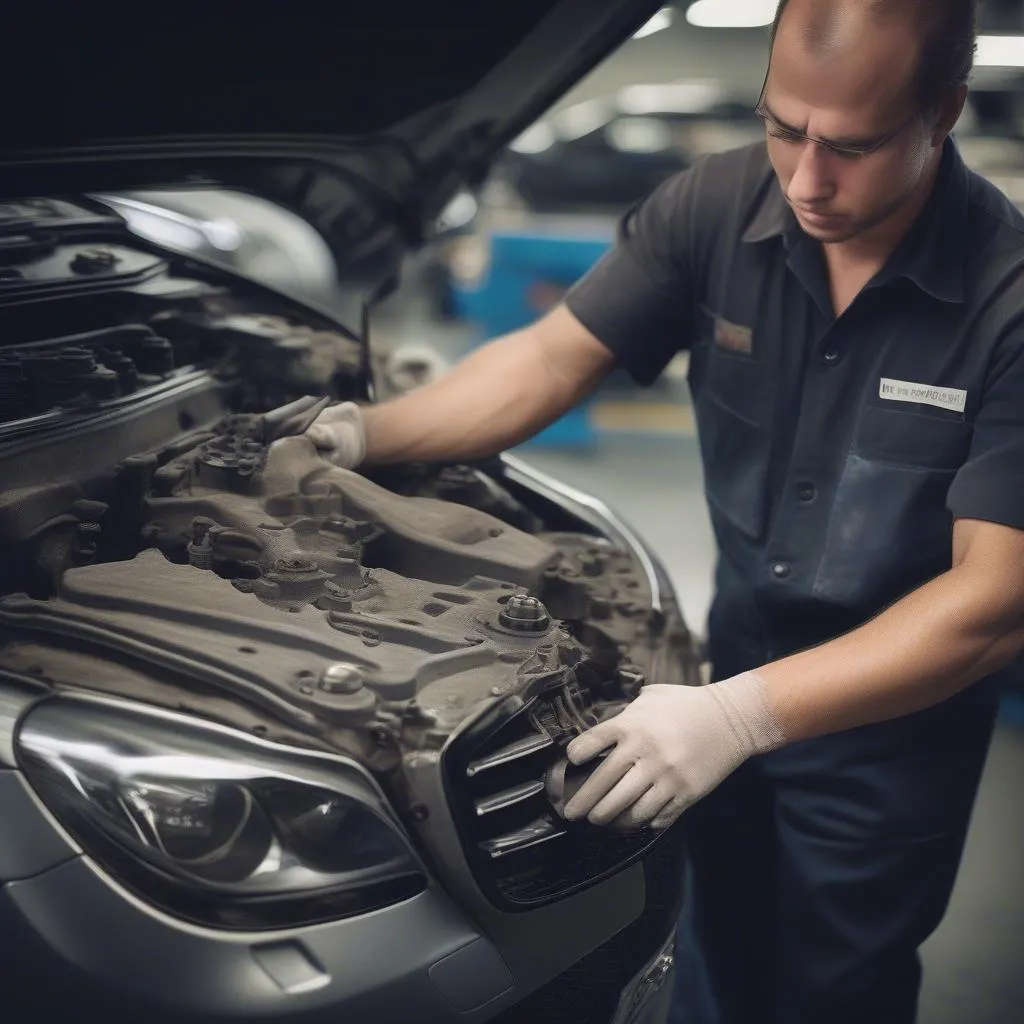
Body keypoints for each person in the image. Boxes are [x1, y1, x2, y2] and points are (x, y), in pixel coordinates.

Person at [305, 1, 1024, 1020]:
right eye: (785, 127)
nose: (807, 178)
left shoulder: (1008, 299)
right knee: (700, 951)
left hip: (886, 728)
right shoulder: (714, 205)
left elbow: (993, 601)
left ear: (942, 110)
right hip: (713, 663)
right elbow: (552, 357)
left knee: (838, 986)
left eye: (852, 147)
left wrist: (742, 716)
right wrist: (363, 437)